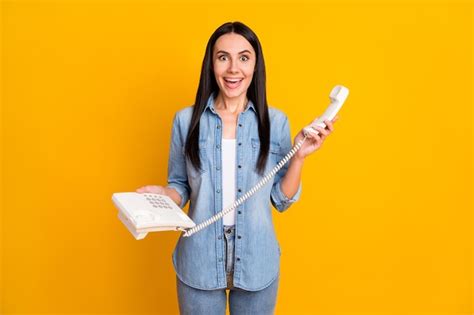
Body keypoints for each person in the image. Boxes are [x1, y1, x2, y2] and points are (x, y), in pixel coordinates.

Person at [136, 21, 338, 315]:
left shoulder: (275, 122)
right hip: (200, 260)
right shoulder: (185, 120)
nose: (233, 69)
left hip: (257, 260)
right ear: (211, 64)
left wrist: (299, 157)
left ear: (255, 66)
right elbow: (179, 185)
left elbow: (281, 199)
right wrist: (163, 195)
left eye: (244, 57)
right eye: (223, 57)